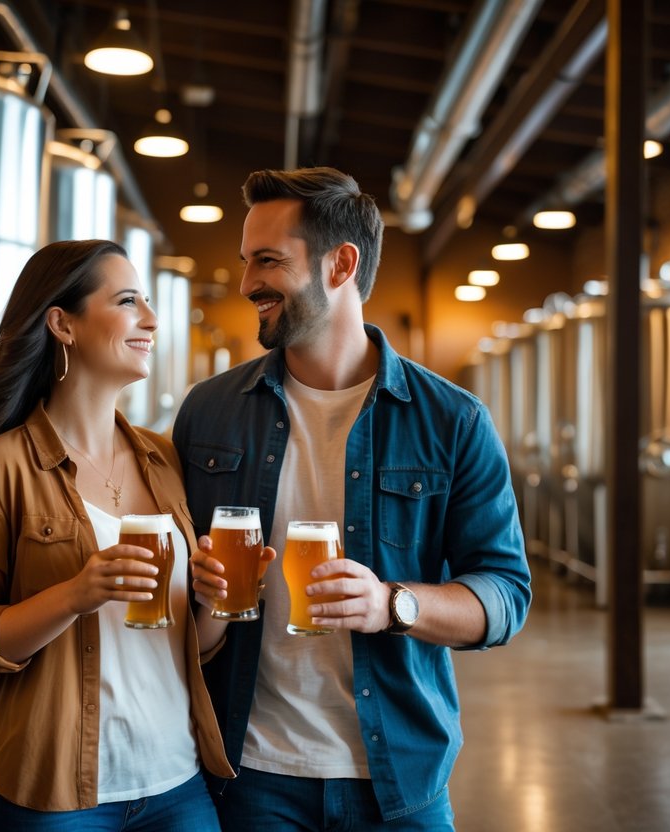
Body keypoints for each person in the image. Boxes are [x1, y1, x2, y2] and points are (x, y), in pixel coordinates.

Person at [172, 168, 532, 831]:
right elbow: (181, 595)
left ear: (340, 265)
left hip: (397, 781)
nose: (247, 281)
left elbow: (505, 596)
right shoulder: (209, 412)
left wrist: (391, 603)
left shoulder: (451, 419)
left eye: (268, 261)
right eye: (245, 260)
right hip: (247, 774)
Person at [0, 239, 233, 831]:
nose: (150, 317)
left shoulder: (164, 458)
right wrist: (75, 595)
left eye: (148, 300)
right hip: (52, 794)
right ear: (62, 324)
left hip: (177, 782)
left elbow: (183, 649)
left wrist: (220, 603)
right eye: (127, 301)